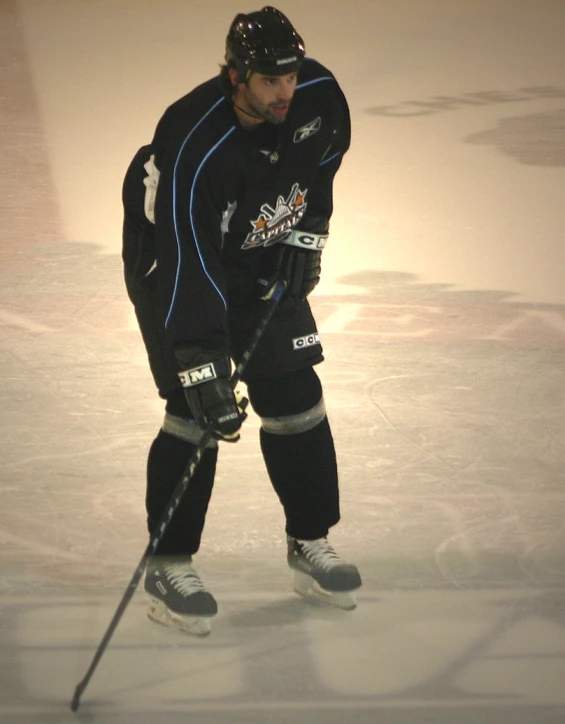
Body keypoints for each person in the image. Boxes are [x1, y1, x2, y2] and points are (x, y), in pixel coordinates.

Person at [122, 6, 361, 636]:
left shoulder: (316, 97)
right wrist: (202, 361)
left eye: (292, 75)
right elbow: (187, 258)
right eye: (270, 80)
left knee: (295, 392)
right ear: (237, 76)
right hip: (171, 256)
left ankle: (309, 541)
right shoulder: (196, 146)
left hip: (255, 241)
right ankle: (169, 563)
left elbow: (325, 158)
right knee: (195, 405)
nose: (287, 90)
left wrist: (308, 232)